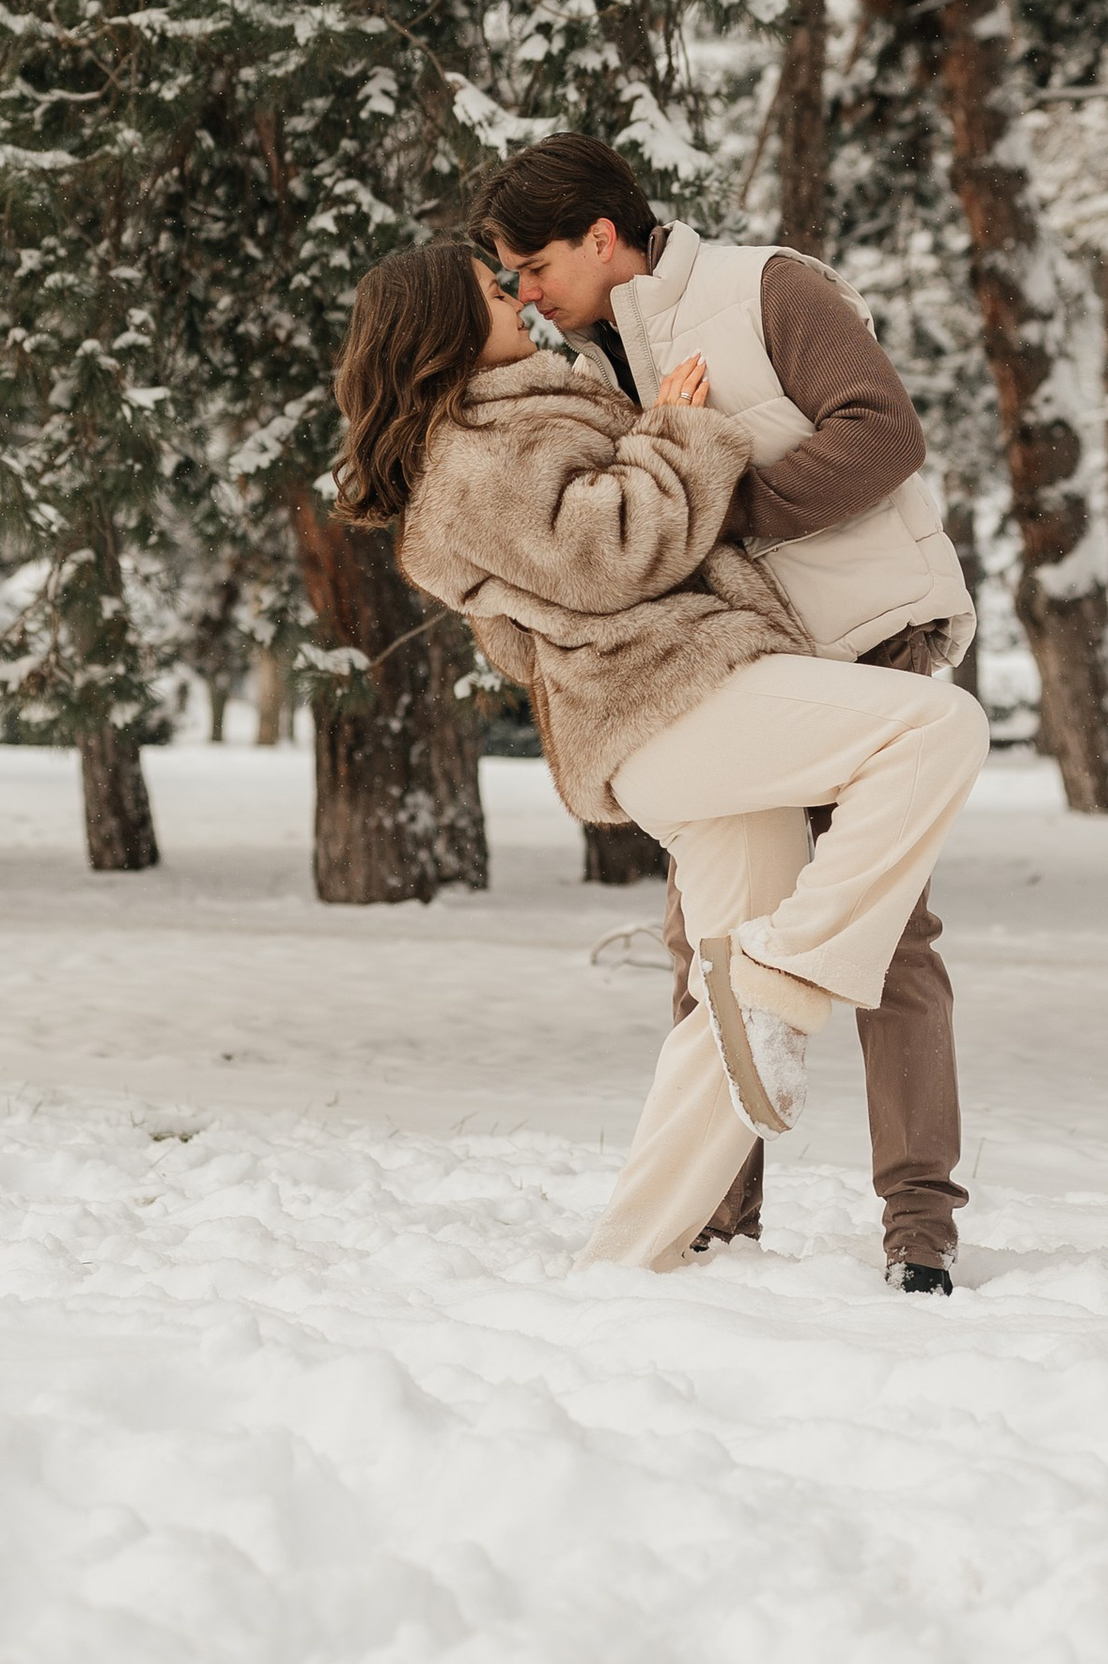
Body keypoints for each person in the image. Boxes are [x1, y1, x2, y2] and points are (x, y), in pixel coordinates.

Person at [332, 242, 989, 1279]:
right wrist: (678, 433)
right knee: (933, 728)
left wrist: (638, 455)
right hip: (673, 704)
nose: (516, 296)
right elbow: (612, 550)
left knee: (719, 1024)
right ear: (444, 332)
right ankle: (790, 970)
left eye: (512, 277)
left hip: (673, 708)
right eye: (493, 290)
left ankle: (629, 1256)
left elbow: (535, 611)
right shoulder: (471, 451)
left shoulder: (511, 417)